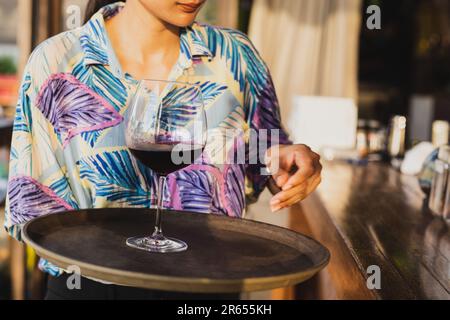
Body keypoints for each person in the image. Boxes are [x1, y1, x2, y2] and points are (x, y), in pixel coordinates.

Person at [4, 0, 322, 300]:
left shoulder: (236, 55)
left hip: (211, 289)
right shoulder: (57, 61)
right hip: (92, 289)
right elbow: (30, 209)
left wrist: (286, 163)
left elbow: (264, 154)